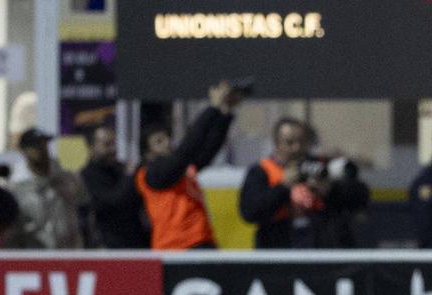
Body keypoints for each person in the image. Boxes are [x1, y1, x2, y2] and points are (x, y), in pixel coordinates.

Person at [136, 81, 240, 250]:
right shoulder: (151, 174)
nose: (167, 143)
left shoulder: (181, 168)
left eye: (167, 138)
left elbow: (209, 148)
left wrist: (225, 112)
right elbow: (188, 147)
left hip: (202, 239)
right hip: (176, 247)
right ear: (147, 152)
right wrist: (212, 108)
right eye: (158, 142)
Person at [239, 118, 329, 249]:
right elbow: (250, 212)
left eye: (302, 142)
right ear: (277, 144)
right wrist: (283, 186)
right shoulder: (261, 171)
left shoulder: (320, 167)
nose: (296, 148)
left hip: (318, 244)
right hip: (276, 247)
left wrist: (329, 189)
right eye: (289, 142)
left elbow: (357, 196)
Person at [5, 128, 87, 249]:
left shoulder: (65, 174)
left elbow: (83, 202)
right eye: (36, 146)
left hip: (68, 249)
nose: (42, 149)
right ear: (24, 151)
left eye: (44, 144)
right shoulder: (16, 183)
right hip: (35, 251)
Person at [80, 124, 149, 249]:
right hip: (112, 247)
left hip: (138, 242)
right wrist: (128, 176)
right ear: (91, 147)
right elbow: (114, 201)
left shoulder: (119, 168)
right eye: (107, 145)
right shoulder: (88, 175)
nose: (113, 149)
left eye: (114, 143)